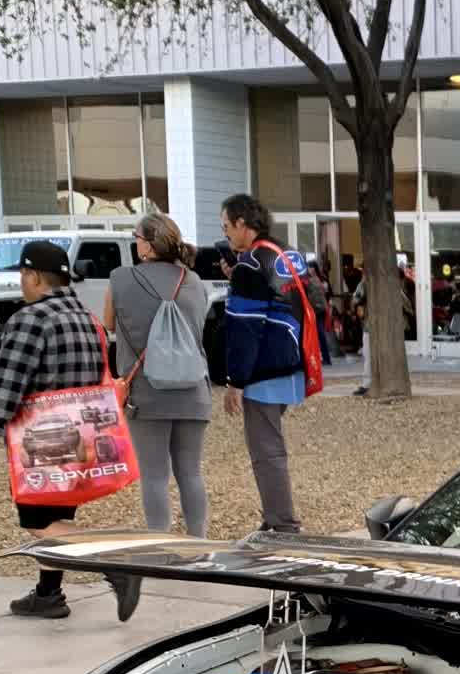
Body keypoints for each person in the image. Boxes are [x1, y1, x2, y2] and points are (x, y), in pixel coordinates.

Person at [0, 240, 106, 620]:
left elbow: (7, 382)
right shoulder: (86, 318)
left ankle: (115, 565)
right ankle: (48, 594)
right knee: (59, 516)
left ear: (34, 277)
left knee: (38, 521)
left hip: (40, 439)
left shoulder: (31, 319)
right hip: (80, 435)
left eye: (23, 275)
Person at [103, 211, 211, 536]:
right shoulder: (194, 281)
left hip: (145, 393)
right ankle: (199, 542)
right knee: (191, 473)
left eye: (136, 237)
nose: (135, 243)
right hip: (193, 390)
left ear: (148, 245)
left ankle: (160, 543)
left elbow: (108, 323)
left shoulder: (121, 278)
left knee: (154, 476)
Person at [220, 192, 307, 533]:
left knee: (266, 450)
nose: (226, 234)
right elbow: (312, 302)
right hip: (293, 361)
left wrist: (235, 381)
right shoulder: (288, 255)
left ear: (242, 223)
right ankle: (276, 519)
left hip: (262, 371)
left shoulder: (250, 265)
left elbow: (244, 328)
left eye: (227, 227)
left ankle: (282, 525)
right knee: (270, 444)